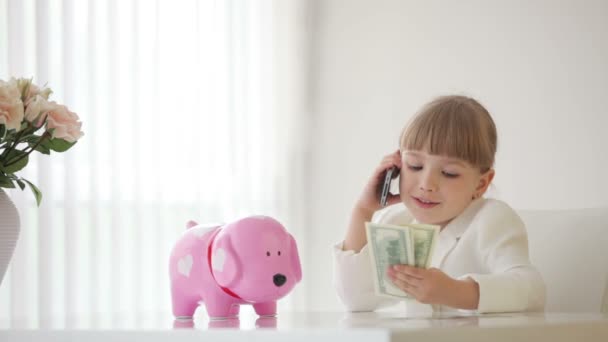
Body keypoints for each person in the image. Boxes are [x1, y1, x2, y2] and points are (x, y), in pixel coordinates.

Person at [333, 95, 546, 314]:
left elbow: (531, 289)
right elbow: (355, 300)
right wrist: (363, 211)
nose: (427, 184)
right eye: (415, 166)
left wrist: (456, 292)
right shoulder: (396, 222)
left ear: (481, 184)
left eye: (449, 173)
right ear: (396, 167)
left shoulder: (491, 219)